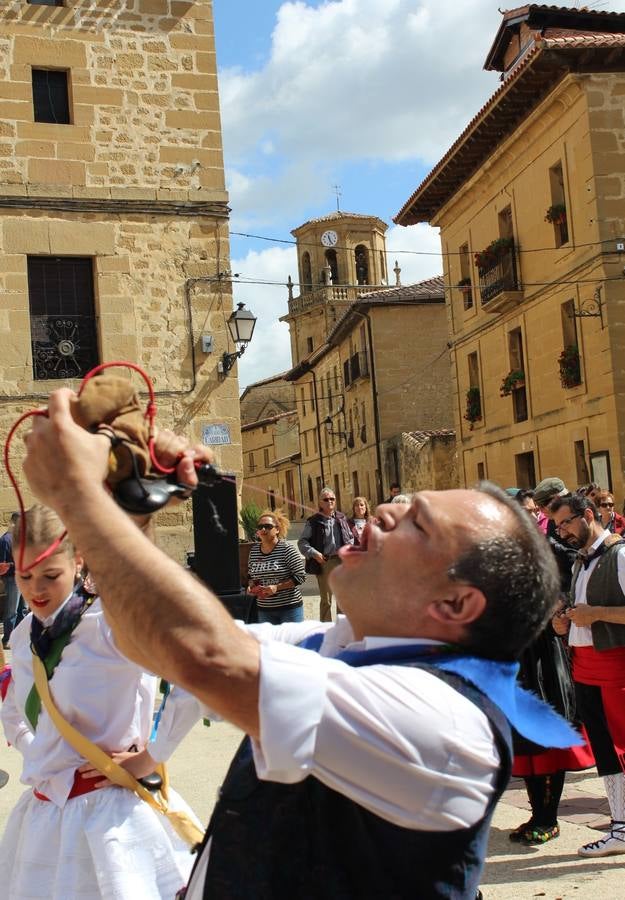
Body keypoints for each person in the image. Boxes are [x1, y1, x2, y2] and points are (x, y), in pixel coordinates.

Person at [16, 387, 581, 900]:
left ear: (456, 605)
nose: (386, 509)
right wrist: (132, 506)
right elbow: (153, 642)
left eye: (417, 522)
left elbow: (204, 655)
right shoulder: (325, 641)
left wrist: (79, 497)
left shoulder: (445, 721)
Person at [0, 503, 201, 899]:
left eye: (50, 575)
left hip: (114, 818)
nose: (36, 590)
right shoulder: (23, 635)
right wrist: (43, 755)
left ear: (78, 561)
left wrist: (151, 755)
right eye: (24, 576)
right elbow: (13, 709)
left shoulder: (112, 623)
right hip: (43, 820)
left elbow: (195, 676)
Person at [509, 491, 594, 845]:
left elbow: (577, 581)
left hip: (546, 653)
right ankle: (536, 814)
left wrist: (560, 606)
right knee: (525, 742)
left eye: (533, 512)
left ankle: (549, 817)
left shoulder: (557, 551)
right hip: (516, 657)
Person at [551, 492, 625, 857]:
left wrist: (595, 613)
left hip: (614, 666)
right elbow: (581, 614)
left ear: (589, 515)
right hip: (584, 665)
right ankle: (621, 827)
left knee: (622, 747)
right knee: (605, 750)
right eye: (557, 525)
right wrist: (564, 624)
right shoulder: (581, 561)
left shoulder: (620, 555)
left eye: (566, 522)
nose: (561, 531)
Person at [298, 487, 354, 621]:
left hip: (342, 561)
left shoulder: (341, 517)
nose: (329, 501)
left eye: (332, 499)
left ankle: (342, 628)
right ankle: (326, 629)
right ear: (320, 503)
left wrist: (349, 548)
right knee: (326, 600)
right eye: (326, 499)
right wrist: (314, 553)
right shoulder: (314, 521)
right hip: (325, 562)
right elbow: (302, 542)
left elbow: (350, 537)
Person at [247, 508, 306, 625]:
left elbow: (300, 576)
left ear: (277, 529)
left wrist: (277, 588)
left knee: (292, 642)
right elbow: (251, 576)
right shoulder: (253, 551)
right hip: (264, 610)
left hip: (289, 608)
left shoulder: (287, 549)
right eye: (260, 527)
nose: (263, 529)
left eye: (268, 526)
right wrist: (252, 587)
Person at [0, 512, 26, 650]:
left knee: (23, 610)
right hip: (12, 580)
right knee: (12, 611)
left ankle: (20, 637)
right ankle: (8, 639)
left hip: (24, 578)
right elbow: (2, 565)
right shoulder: (5, 540)